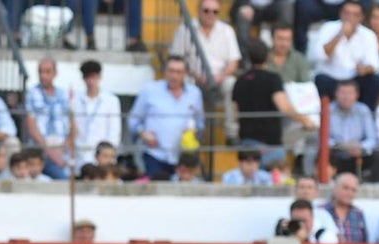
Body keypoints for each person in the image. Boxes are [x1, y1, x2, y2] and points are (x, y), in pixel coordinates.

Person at [231, 39, 316, 169]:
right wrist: (305, 120)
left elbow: (235, 113)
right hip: (270, 143)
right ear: (268, 57)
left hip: (247, 142)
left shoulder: (240, 81)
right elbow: (283, 106)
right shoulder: (272, 79)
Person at [169, 0, 242, 141]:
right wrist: (197, 76)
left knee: (231, 84)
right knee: (186, 85)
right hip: (193, 77)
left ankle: (231, 134)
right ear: (198, 11)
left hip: (220, 78)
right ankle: (193, 134)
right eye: (206, 10)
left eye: (215, 11)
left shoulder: (227, 31)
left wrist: (219, 77)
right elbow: (176, 59)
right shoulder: (184, 30)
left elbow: (233, 62)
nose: (210, 14)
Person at [128, 56, 205, 180]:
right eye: (171, 71)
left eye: (178, 72)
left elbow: (200, 124)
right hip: (155, 154)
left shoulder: (194, 93)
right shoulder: (150, 90)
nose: (174, 76)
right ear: (165, 71)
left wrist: (194, 133)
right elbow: (133, 120)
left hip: (182, 157)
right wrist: (143, 133)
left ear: (185, 73)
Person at [311, 0, 379, 110]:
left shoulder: (368, 35)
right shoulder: (328, 28)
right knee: (321, 80)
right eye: (347, 13)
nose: (349, 17)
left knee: (374, 80)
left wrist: (364, 69)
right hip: (331, 78)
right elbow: (320, 55)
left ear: (361, 18)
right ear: (341, 14)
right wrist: (340, 35)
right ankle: (324, 119)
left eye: (354, 15)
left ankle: (367, 115)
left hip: (354, 79)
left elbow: (374, 65)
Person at [25, 58, 75, 180]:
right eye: (41, 72)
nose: (43, 76)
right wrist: (51, 153)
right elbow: (32, 127)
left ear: (55, 73)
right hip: (42, 151)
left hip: (62, 151)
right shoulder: (32, 93)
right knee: (63, 179)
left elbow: (73, 125)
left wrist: (63, 149)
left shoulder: (63, 94)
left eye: (47, 72)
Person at [70, 61, 122, 168]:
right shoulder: (75, 100)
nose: (91, 82)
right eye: (87, 78)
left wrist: (108, 155)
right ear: (83, 79)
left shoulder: (111, 100)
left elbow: (114, 131)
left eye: (93, 77)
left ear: (99, 77)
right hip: (81, 156)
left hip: (103, 156)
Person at [327, 79, 378, 176]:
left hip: (358, 153)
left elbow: (372, 139)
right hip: (336, 152)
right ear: (336, 94)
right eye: (342, 93)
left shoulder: (363, 110)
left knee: (377, 155)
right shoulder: (327, 110)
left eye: (350, 93)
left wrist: (360, 146)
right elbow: (322, 139)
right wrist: (340, 145)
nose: (346, 97)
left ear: (357, 95)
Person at [322, 172, 368, 243]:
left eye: (353, 190)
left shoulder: (358, 213)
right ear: (335, 188)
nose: (349, 193)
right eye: (345, 188)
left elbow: (365, 242)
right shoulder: (321, 211)